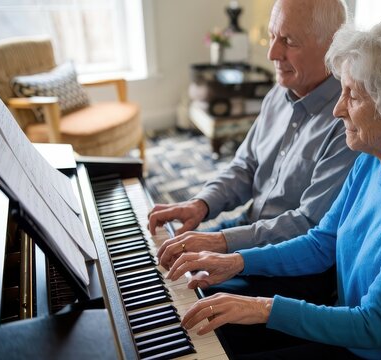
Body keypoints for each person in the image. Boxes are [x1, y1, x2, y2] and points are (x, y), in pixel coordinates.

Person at [168, 13, 381, 359]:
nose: (337, 109)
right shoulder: (371, 159)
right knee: (206, 331)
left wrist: (261, 307)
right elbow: (321, 243)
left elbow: (372, 324)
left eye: (354, 96)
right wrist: (237, 261)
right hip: (348, 336)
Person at [149, 0, 356, 305]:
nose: (273, 53)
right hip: (248, 227)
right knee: (164, 265)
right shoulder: (278, 93)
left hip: (292, 270)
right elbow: (246, 165)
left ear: (333, 46)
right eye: (273, 36)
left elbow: (306, 227)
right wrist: (201, 205)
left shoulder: (349, 121)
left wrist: (220, 242)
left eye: (288, 41)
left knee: (183, 299)